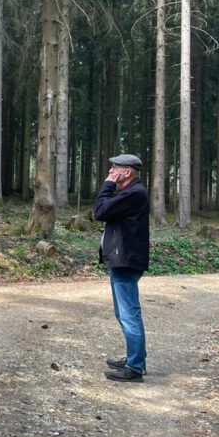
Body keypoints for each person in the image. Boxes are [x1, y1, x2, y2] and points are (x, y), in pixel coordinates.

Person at [92, 154, 150, 383]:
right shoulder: (130, 193)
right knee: (125, 313)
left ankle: (135, 367)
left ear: (127, 172)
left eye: (115, 167)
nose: (110, 171)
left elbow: (99, 211)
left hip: (126, 261)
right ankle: (136, 359)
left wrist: (107, 185)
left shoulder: (134, 193)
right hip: (123, 260)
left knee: (129, 315)